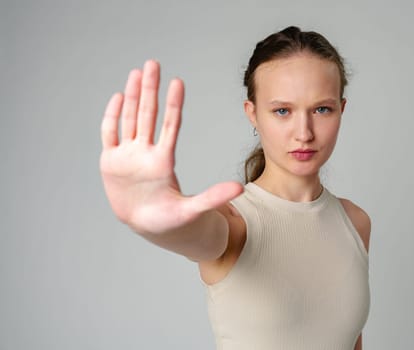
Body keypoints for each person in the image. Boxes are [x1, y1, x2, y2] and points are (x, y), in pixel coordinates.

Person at [100, 26, 371, 350]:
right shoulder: (235, 223)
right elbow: (197, 233)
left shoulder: (355, 222)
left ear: (341, 110)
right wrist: (150, 221)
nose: (304, 132)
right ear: (253, 114)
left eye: (321, 109)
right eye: (282, 111)